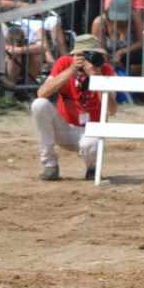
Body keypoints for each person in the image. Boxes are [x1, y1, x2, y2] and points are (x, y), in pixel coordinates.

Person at [30, 35, 116, 181]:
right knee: (39, 104)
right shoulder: (65, 63)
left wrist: (96, 77)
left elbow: (111, 111)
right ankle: (50, 166)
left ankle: (92, 168)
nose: (91, 59)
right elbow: (42, 93)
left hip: (91, 131)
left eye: (94, 55)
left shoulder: (105, 70)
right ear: (76, 55)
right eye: (86, 55)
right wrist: (71, 70)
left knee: (90, 144)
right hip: (65, 129)